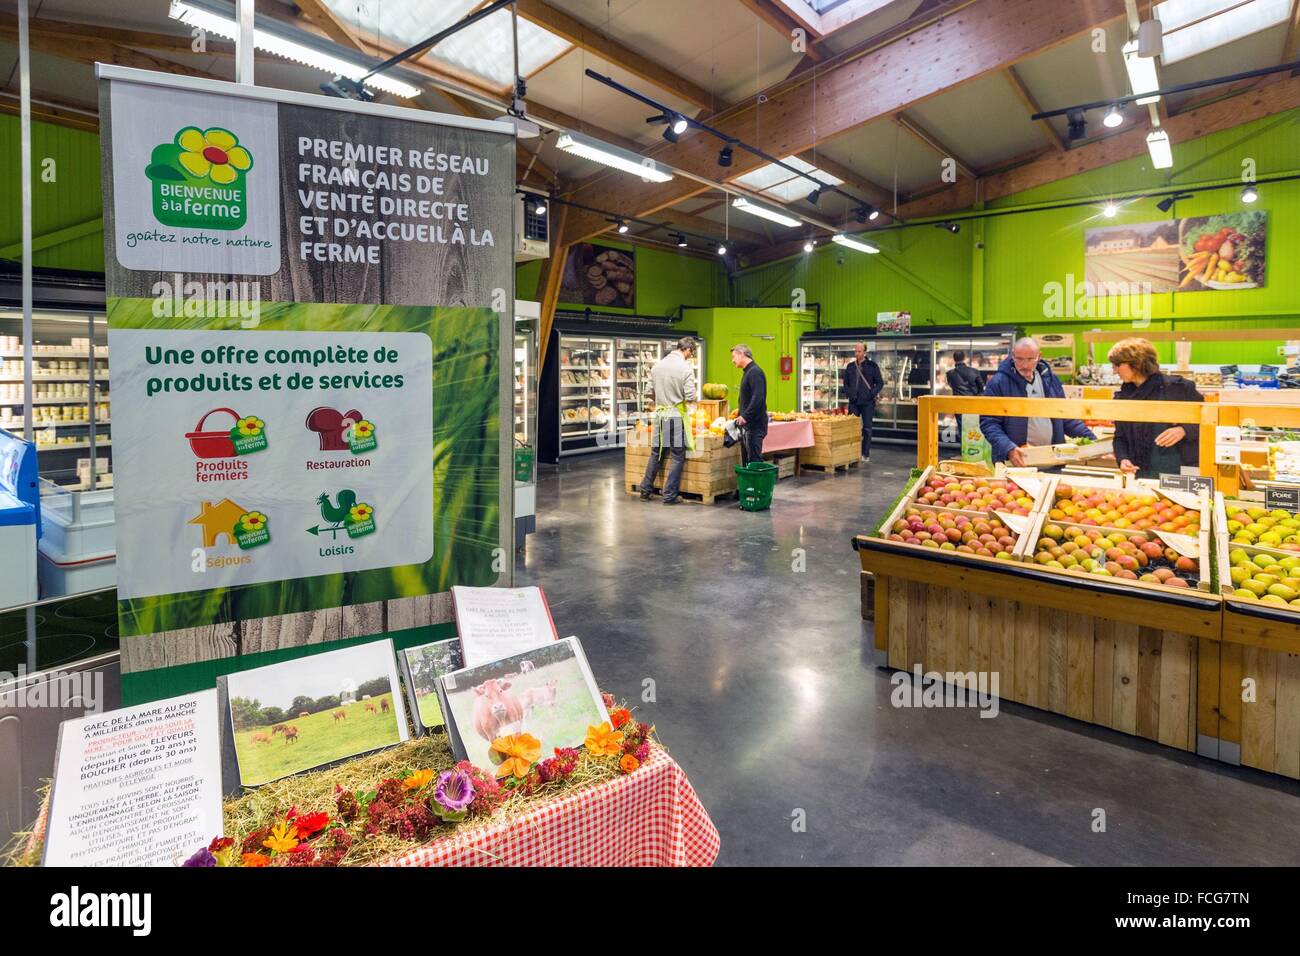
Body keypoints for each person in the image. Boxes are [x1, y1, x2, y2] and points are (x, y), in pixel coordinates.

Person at [980, 337, 1096, 466]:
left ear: (1039, 356)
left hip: (1052, 459)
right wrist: (1008, 448)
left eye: (1030, 359)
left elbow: (1065, 416)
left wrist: (1093, 441)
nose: (1024, 365)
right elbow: (989, 422)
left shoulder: (1050, 380)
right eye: (1019, 359)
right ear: (1012, 355)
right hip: (1017, 461)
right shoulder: (998, 383)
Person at [1109, 337, 1203, 479]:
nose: (1114, 371)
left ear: (1136, 363)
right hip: (1139, 476)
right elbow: (1120, 436)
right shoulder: (1123, 396)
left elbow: (1209, 424)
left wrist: (1184, 430)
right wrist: (1123, 458)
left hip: (1179, 477)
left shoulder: (1179, 388)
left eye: (1116, 364)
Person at [637, 336, 698, 505]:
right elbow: (691, 396)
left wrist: (662, 399)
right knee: (678, 455)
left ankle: (645, 489)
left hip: (660, 416)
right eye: (690, 353)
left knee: (656, 453)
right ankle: (670, 495)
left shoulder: (658, 365)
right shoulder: (685, 368)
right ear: (688, 350)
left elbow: (649, 391)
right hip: (676, 417)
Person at [842, 342, 884, 462]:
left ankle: (865, 454)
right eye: (855, 351)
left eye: (859, 351)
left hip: (867, 402)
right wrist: (850, 394)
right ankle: (853, 452)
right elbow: (845, 383)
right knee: (852, 427)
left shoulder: (872, 366)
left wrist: (871, 394)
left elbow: (880, 383)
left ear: (865, 352)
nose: (857, 353)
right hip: (854, 402)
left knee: (867, 428)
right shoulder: (850, 366)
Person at [732, 344, 768, 466]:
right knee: (750, 460)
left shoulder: (754, 372)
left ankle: (757, 485)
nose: (733, 360)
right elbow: (751, 396)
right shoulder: (748, 372)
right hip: (750, 425)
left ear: (742, 354)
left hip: (755, 425)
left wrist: (745, 416)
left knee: (755, 461)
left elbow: (758, 397)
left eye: (734, 357)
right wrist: (740, 410)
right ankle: (751, 485)